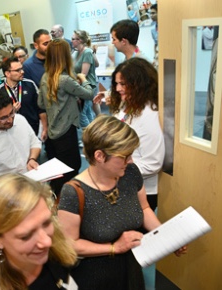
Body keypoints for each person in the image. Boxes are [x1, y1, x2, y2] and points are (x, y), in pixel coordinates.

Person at [57, 115, 187, 290]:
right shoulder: (73, 192)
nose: (131, 161)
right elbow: (70, 244)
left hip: (131, 269)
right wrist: (114, 248)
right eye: (125, 156)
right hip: (96, 278)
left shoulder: (130, 173)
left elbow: (145, 208)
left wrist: (166, 237)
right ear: (100, 156)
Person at [38, 39, 93, 196]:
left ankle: (55, 196)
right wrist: (83, 79)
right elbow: (89, 93)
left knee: (59, 169)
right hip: (67, 130)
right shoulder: (65, 80)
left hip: (54, 131)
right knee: (73, 166)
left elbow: (41, 103)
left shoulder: (45, 78)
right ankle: (61, 199)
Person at [109, 57, 164, 212]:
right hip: (122, 182)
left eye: (123, 84)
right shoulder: (128, 105)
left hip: (141, 190)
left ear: (139, 84)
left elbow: (153, 163)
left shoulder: (148, 115)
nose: (118, 88)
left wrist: (115, 169)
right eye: (116, 83)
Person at [0, 57, 46, 137]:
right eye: (17, 70)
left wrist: (45, 128)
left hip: (33, 130)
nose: (22, 72)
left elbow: (41, 108)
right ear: (7, 73)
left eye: (22, 69)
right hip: (12, 133)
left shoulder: (30, 84)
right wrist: (11, 111)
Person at [72, 30, 98, 128]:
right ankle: (93, 134)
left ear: (80, 40)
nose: (72, 41)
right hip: (81, 85)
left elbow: (83, 74)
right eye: (72, 39)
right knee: (87, 111)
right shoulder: (76, 53)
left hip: (87, 85)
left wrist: (75, 89)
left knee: (81, 114)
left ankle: (88, 135)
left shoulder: (87, 52)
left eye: (74, 39)